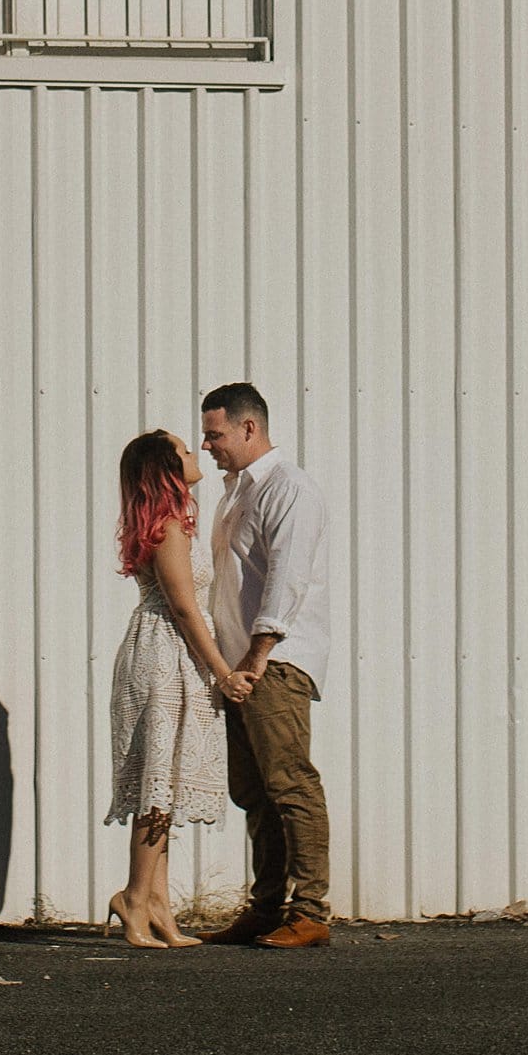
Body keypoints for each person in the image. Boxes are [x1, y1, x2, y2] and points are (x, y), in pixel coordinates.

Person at [196, 381, 336, 948]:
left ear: (249, 428)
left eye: (215, 434)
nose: (207, 445)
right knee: (253, 790)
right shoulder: (237, 492)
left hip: (272, 661)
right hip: (242, 664)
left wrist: (257, 654)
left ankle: (310, 911)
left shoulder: (289, 489)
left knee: (290, 784)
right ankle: (266, 907)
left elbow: (288, 577)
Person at [105, 428, 232, 948]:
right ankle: (136, 898)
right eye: (183, 449)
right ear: (166, 468)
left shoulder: (173, 522)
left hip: (168, 652)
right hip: (165, 656)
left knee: (169, 779)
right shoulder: (170, 528)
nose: (194, 452)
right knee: (159, 779)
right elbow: (182, 606)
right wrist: (223, 671)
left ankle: (156, 901)